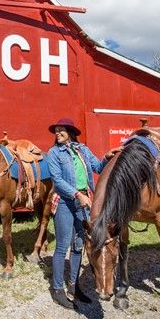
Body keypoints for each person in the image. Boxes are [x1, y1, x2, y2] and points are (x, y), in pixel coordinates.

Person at [46, 117, 115, 309]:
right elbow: (57, 180)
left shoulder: (82, 149)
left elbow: (97, 168)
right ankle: (58, 289)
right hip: (66, 203)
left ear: (70, 131)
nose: (57, 133)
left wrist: (108, 157)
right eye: (56, 130)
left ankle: (74, 286)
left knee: (78, 246)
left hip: (83, 203)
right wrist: (77, 194)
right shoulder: (53, 153)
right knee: (62, 247)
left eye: (61, 130)